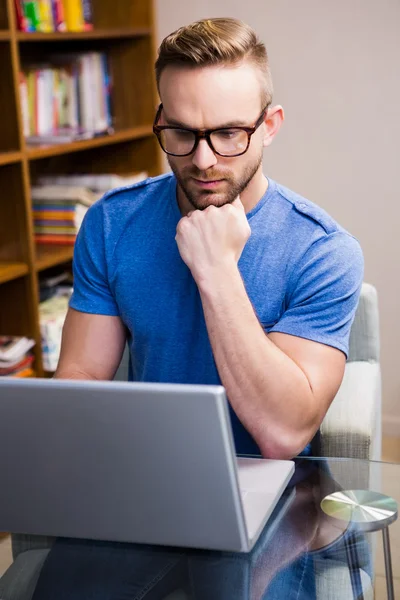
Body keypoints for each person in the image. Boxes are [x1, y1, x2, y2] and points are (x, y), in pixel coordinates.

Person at [31, 17, 364, 599]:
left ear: (269, 126)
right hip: (148, 483)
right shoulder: (112, 223)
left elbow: (283, 431)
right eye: (182, 133)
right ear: (160, 121)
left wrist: (216, 271)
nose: (205, 159)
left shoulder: (324, 250)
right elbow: (81, 379)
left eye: (229, 133)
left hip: (279, 495)